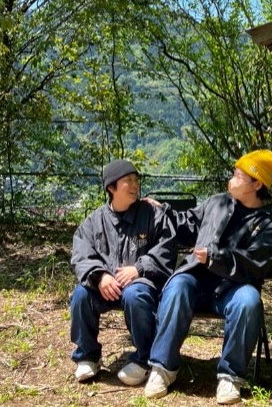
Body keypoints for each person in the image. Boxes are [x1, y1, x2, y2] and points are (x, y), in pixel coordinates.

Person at [143, 150, 272, 405]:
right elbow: (187, 224)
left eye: (239, 176)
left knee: (249, 301)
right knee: (177, 286)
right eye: (234, 173)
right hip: (197, 280)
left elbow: (260, 264)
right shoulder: (218, 203)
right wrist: (162, 211)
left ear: (257, 184)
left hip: (235, 287)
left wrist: (216, 257)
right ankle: (162, 368)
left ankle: (230, 376)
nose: (232, 179)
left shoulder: (270, 222)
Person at [69, 159, 177, 385]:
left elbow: (166, 248)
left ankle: (144, 359)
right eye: (128, 180)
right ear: (111, 187)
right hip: (106, 287)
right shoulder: (95, 221)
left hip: (142, 285)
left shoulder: (152, 214)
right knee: (81, 294)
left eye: (136, 179)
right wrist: (100, 276)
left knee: (134, 294)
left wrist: (138, 268)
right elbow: (81, 253)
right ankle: (88, 356)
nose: (135, 185)